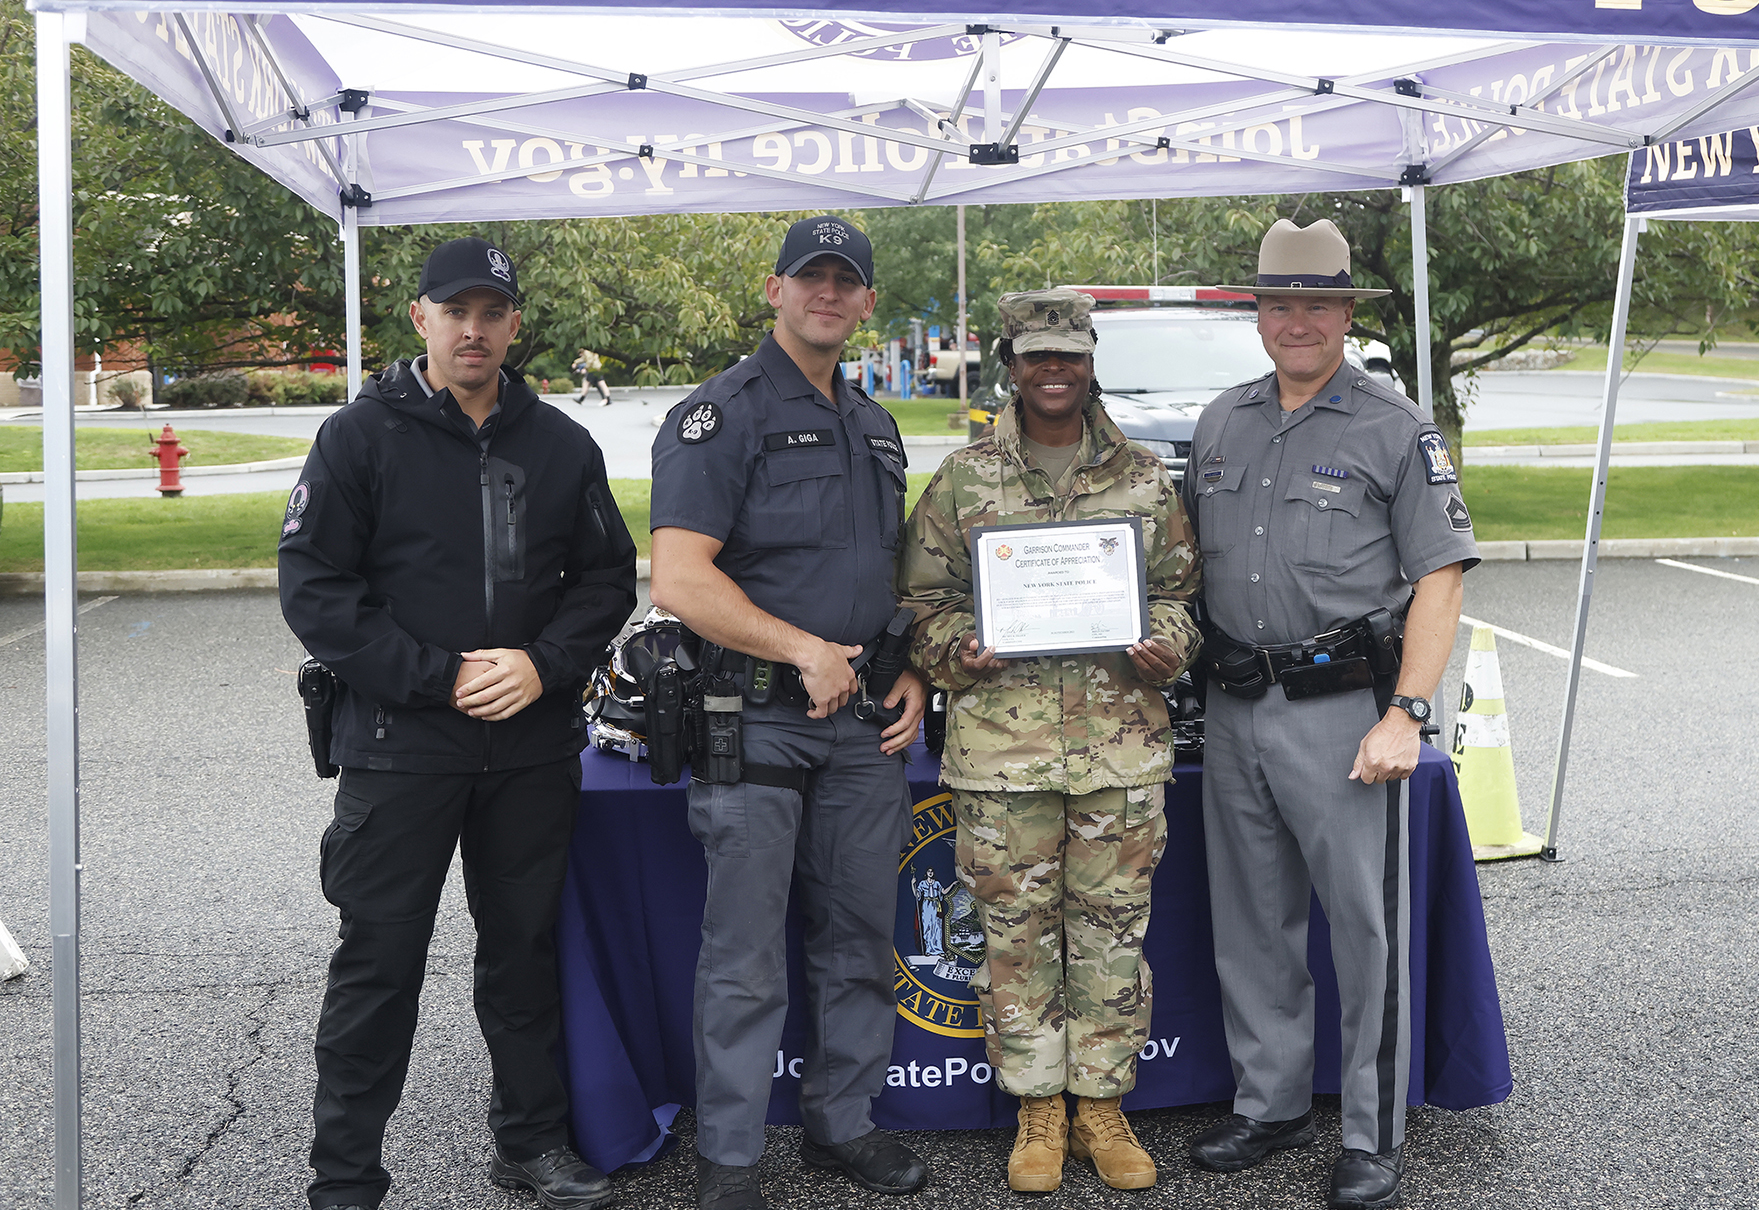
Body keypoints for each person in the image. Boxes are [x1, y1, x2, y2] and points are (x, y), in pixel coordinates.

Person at [279, 236, 638, 1210]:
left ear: (515, 324)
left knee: (523, 956)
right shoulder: (359, 438)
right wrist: (441, 679)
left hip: (529, 748)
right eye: (456, 309)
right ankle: (345, 1174)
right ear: (421, 318)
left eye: (492, 311)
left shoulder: (562, 444)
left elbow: (607, 576)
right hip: (399, 749)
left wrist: (541, 663)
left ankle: (529, 1140)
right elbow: (316, 589)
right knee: (378, 965)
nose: (473, 328)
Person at [1181, 220, 1477, 1210]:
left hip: (1344, 712)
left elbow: (1440, 578)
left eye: (1317, 302)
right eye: (1279, 302)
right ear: (1256, 312)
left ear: (1348, 313)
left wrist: (1406, 711)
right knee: (1252, 922)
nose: (1297, 320)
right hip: (1234, 707)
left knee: (1364, 928)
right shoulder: (1221, 421)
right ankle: (1268, 1104)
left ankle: (1369, 1131)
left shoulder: (1397, 427)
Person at [648, 215, 930, 1210]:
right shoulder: (719, 415)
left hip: (860, 726)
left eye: (844, 280)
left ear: (864, 303)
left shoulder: (877, 424)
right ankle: (730, 1160)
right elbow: (680, 577)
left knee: (860, 935)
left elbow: (888, 575)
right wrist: (802, 648)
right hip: (756, 718)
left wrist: (914, 670)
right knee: (744, 956)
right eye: (809, 277)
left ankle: (841, 1124)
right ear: (774, 291)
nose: (827, 293)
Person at [897, 289, 1201, 1195]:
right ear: (1011, 363)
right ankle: (1037, 1107)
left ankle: (1101, 1105)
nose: (1055, 371)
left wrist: (1167, 645)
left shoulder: (1146, 476)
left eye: (1070, 354)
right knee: (1014, 936)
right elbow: (922, 601)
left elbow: (1183, 595)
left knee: (1111, 934)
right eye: (1038, 356)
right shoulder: (963, 478)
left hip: (1119, 748)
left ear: (1091, 359)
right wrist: (959, 647)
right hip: (1004, 755)